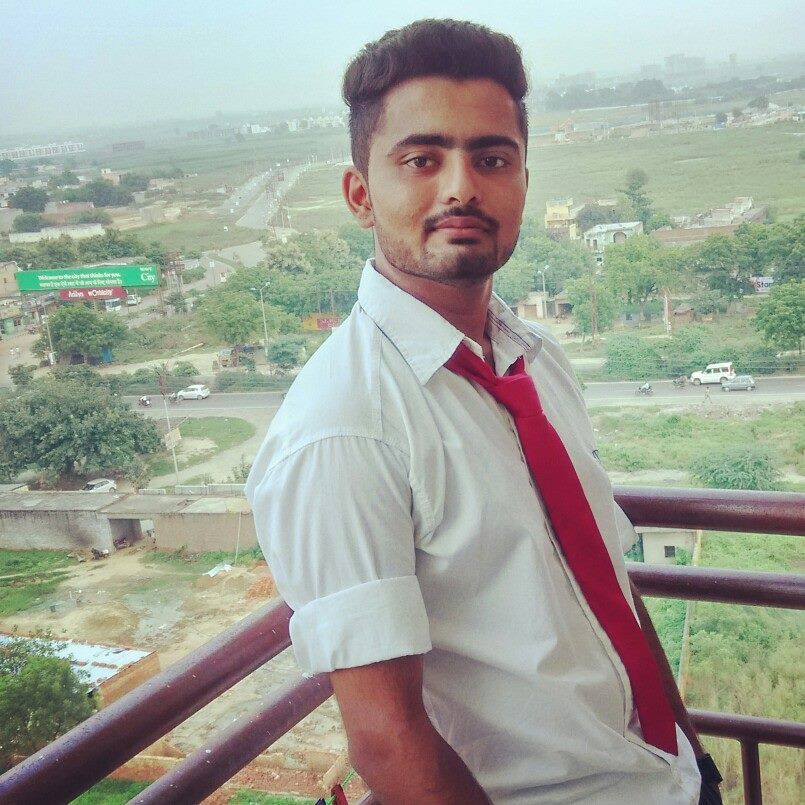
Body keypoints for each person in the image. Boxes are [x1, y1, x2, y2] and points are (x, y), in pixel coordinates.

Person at [246, 19, 722, 805]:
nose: (461, 187)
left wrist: (690, 752)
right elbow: (387, 739)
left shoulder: (534, 357)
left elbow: (605, 581)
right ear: (360, 195)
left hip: (669, 778)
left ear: (523, 181)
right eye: (421, 159)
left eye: (491, 158)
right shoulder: (343, 427)